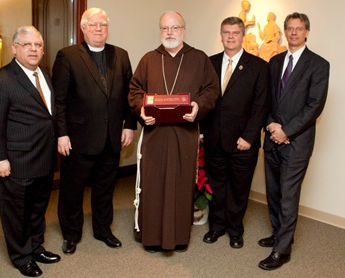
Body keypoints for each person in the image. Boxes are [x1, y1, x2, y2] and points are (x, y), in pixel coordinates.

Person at [129, 10, 219, 253]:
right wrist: (141, 110)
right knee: (153, 184)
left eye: (174, 28)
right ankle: (151, 237)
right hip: (154, 135)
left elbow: (212, 90)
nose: (169, 33)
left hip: (184, 134)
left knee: (180, 185)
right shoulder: (149, 59)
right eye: (165, 28)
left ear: (183, 30)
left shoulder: (199, 58)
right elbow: (135, 91)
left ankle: (178, 237)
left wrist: (198, 106)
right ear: (160, 31)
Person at [52, 7, 136, 255]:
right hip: (77, 138)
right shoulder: (67, 56)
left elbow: (129, 97)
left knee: (105, 188)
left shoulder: (121, 55)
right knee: (72, 189)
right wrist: (62, 133)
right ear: (83, 28)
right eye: (93, 25)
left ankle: (103, 229)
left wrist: (130, 125)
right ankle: (71, 233)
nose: (99, 29)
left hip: (111, 138)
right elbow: (60, 100)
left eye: (103, 25)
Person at [0, 26, 60, 277]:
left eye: (38, 45)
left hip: (44, 159)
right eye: (27, 45)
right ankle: (21, 257)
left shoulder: (45, 75)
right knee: (16, 213)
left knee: (38, 209)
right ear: (14, 48)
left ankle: (36, 248)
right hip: (16, 162)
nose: (34, 49)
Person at [258, 12, 329, 270]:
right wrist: (271, 126)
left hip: (296, 143)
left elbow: (314, 107)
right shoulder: (274, 62)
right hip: (272, 139)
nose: (294, 33)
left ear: (307, 32)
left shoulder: (319, 65)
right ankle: (278, 234)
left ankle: (282, 250)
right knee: (274, 192)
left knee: (288, 195)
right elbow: (265, 100)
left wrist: (286, 131)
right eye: (289, 28)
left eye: (299, 28)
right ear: (284, 31)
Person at [200, 17, 269, 249]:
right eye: (226, 32)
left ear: (243, 36)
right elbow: (204, 101)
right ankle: (217, 227)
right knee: (217, 186)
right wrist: (200, 131)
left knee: (239, 188)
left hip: (243, 142)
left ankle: (235, 230)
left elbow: (261, 106)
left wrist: (249, 137)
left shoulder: (259, 67)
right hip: (213, 139)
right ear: (221, 36)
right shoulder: (208, 63)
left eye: (235, 32)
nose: (230, 36)